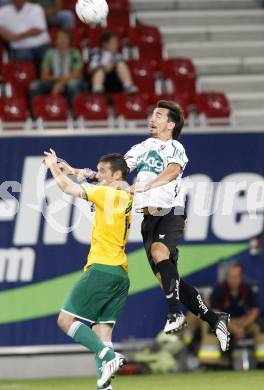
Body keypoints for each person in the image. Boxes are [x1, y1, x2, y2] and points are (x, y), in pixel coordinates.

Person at [59, 100, 231, 353]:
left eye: (159, 115)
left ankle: (175, 314)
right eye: (152, 114)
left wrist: (148, 185)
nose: (153, 118)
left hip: (171, 211)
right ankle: (216, 320)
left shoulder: (175, 147)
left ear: (170, 124)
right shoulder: (142, 147)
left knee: (159, 253)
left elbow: (173, 171)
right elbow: (116, 172)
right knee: (168, 281)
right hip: (149, 218)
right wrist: (77, 171)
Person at [43, 149, 132, 390]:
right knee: (101, 333)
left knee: (65, 320)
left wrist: (53, 166)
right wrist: (74, 170)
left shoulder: (106, 193)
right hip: (120, 275)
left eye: (103, 171)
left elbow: (66, 187)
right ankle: (106, 388)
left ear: (117, 174)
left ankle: (111, 358)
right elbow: (93, 177)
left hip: (102, 269)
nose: (98, 175)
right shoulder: (125, 192)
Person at [199, 264, 263, 366]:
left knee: (259, 325)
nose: (233, 280)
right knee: (209, 325)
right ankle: (210, 364)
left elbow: (255, 310)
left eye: (236, 277)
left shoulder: (247, 289)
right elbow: (216, 313)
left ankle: (261, 360)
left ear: (241, 278)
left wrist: (243, 326)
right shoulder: (219, 290)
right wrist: (235, 329)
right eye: (230, 277)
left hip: (242, 322)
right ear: (227, 277)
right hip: (225, 323)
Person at [30, 29, 82, 105]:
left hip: (70, 80)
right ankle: (37, 110)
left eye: (64, 38)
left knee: (73, 86)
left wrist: (61, 83)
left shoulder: (74, 53)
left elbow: (75, 74)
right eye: (59, 38)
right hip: (54, 80)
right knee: (34, 86)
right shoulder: (49, 53)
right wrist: (58, 81)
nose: (62, 41)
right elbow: (44, 75)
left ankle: (74, 111)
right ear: (55, 40)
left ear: (69, 41)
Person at [0, 0, 50, 70]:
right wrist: (5, 34)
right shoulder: (4, 11)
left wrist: (16, 37)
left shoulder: (36, 8)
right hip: (19, 48)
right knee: (22, 56)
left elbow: (38, 29)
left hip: (40, 47)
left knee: (50, 55)